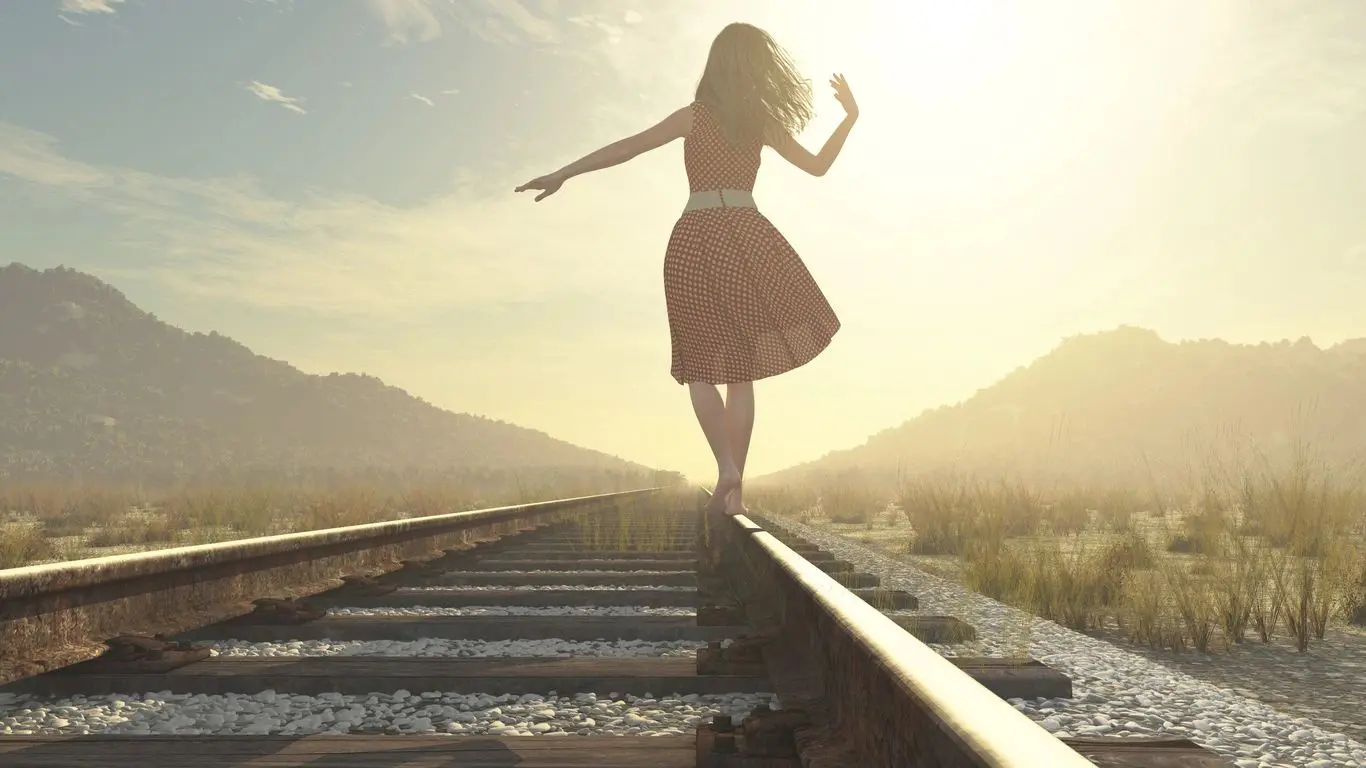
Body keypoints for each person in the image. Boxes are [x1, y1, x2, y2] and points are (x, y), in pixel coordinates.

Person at [516, 22, 858, 516]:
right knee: (742, 372)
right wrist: (849, 118)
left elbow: (626, 147)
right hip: (747, 237)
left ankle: (726, 467)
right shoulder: (760, 122)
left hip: (695, 238)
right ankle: (735, 492)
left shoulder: (695, 116)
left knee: (699, 364)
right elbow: (819, 165)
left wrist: (564, 173)